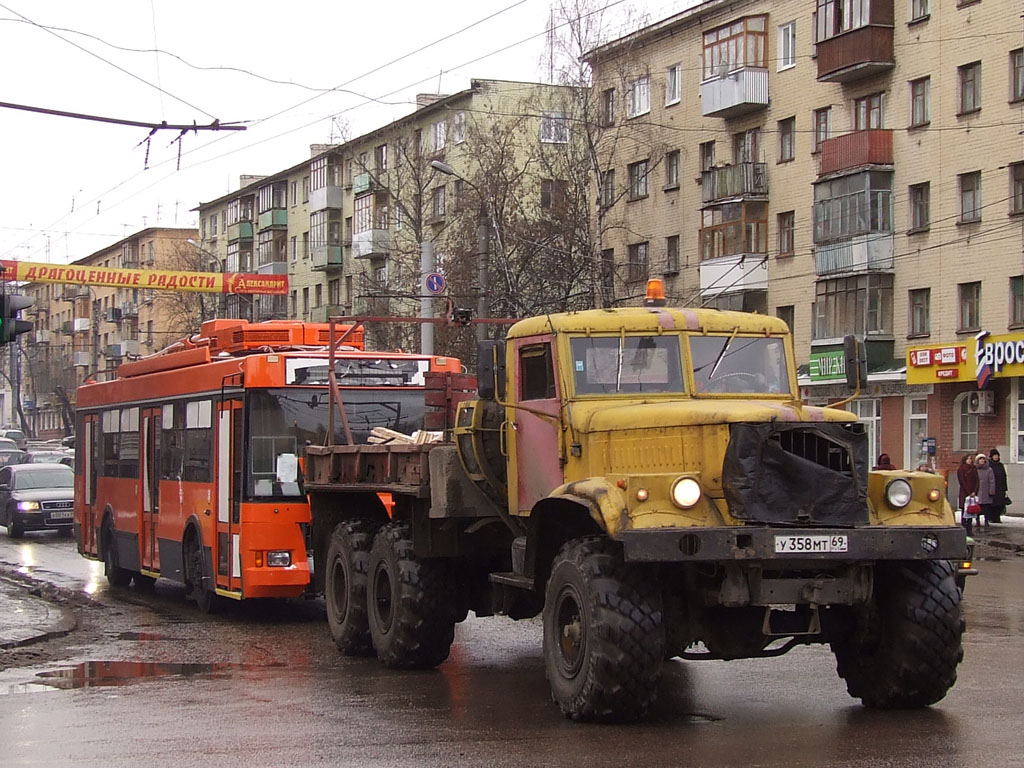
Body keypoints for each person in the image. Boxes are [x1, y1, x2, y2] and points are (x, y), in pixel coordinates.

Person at [974, 453, 998, 528]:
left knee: (986, 507)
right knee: (977, 507)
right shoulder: (975, 469)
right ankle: (977, 520)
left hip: (986, 491)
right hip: (977, 491)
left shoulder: (989, 469)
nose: (982, 461)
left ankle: (986, 520)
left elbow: (992, 481)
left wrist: (991, 491)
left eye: (983, 459)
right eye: (980, 459)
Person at [988, 448, 1007, 524]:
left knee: (1000, 504)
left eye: (997, 455)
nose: (996, 457)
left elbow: (1004, 476)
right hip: (993, 487)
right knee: (993, 504)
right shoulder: (989, 465)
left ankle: (997, 517)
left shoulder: (1000, 465)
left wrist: (1005, 488)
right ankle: (992, 517)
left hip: (1000, 488)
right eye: (994, 456)